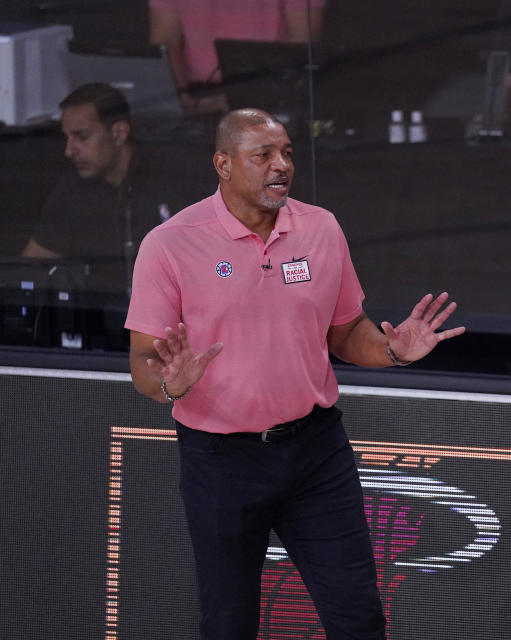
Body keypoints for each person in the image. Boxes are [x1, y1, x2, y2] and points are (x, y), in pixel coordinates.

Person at [124, 107, 464, 639]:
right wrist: (171, 384)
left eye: (287, 153)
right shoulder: (170, 244)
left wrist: (394, 351)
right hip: (222, 461)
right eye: (263, 155)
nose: (280, 165)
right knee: (228, 623)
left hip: (314, 455)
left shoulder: (321, 228)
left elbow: (347, 333)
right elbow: (145, 365)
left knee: (358, 618)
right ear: (223, 164)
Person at [21, 83, 195, 298]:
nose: (69, 151)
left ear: (118, 133)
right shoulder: (72, 188)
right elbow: (31, 265)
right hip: (98, 318)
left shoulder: (172, 178)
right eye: (66, 138)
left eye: (81, 137)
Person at [149, 0, 325, 113]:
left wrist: (249, 96)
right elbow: (165, 41)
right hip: (197, 96)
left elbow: (301, 43)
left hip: (270, 93)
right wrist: (181, 97)